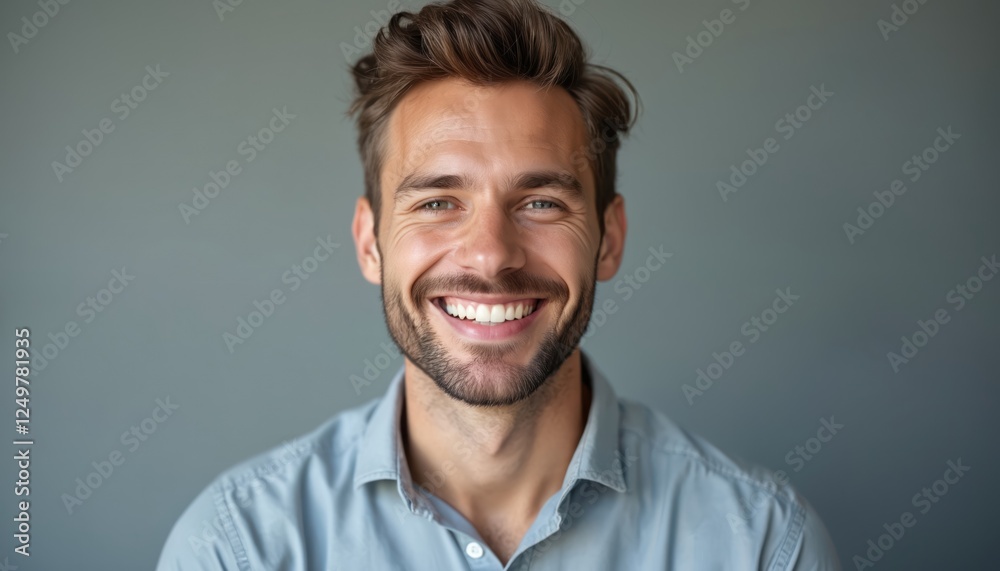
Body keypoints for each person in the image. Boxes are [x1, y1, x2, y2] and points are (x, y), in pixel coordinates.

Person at [157, 0, 842, 568]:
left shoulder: (761, 544)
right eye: (436, 201)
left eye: (541, 202)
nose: (489, 257)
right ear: (370, 241)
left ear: (610, 237)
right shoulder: (238, 546)